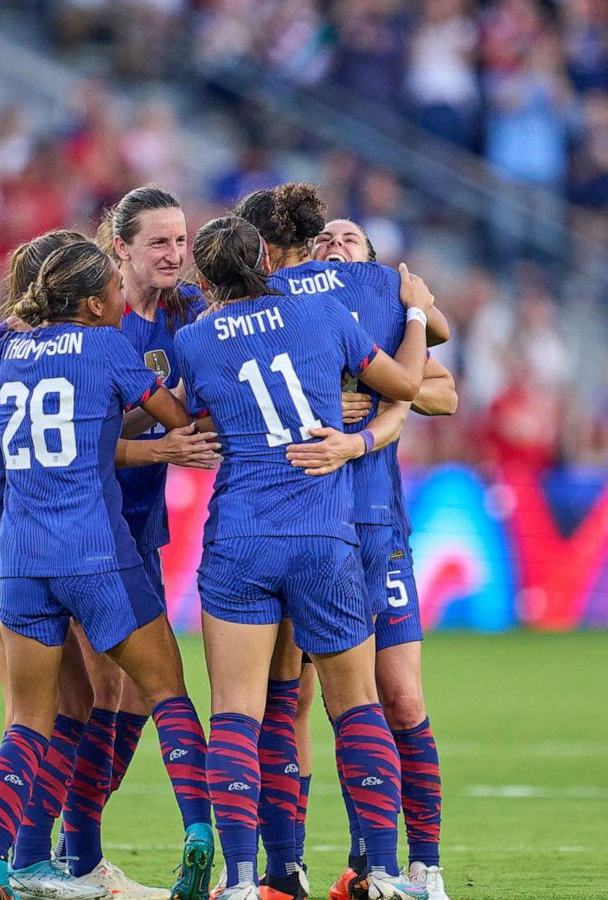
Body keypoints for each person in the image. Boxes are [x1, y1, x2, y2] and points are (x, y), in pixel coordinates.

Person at [174, 215, 431, 900]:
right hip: (324, 535)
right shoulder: (321, 311)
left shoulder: (194, 339)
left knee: (235, 711)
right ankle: (380, 872)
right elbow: (408, 385)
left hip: (240, 539)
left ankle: (239, 881)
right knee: (357, 706)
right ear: (269, 260)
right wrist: (413, 311)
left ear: (204, 279)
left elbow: (185, 418)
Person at [0, 241, 216, 900]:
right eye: (112, 289)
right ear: (96, 301)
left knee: (28, 721)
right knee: (168, 693)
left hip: (20, 567)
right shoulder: (108, 349)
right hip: (97, 557)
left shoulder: (8, 354)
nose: (121, 300)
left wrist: (4, 328)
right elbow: (177, 420)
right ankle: (198, 835)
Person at [262, 201, 458, 900]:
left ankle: (414, 866)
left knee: (398, 697)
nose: (336, 242)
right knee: (294, 700)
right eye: (324, 237)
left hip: (377, 529)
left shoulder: (384, 318)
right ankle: (288, 868)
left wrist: (375, 406)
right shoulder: (285, 324)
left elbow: (443, 391)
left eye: (350, 237)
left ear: (373, 263)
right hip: (299, 528)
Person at [0, 229, 111, 900]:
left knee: (70, 700)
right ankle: (16, 860)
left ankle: (26, 858)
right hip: (5, 550)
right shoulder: (22, 351)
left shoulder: (21, 353)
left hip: (10, 546)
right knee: (35, 710)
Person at [60, 186, 221, 900]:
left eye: (181, 241)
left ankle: (77, 851)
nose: (175, 255)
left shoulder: (188, 312)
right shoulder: (89, 315)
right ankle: (71, 857)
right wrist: (160, 443)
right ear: (119, 248)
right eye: (159, 242)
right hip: (81, 527)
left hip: (140, 527)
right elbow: (77, 442)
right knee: (103, 693)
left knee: (128, 701)